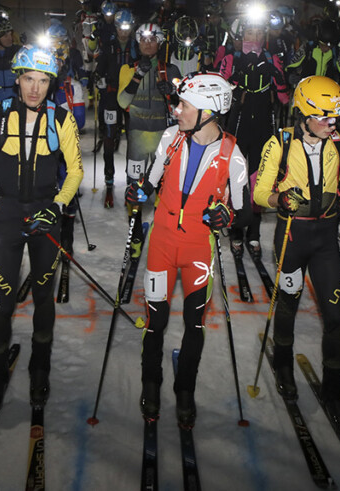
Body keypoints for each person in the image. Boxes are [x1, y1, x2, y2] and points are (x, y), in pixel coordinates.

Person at [0, 44, 83, 419]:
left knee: (44, 298)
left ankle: (39, 369)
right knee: (3, 303)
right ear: (17, 78)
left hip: (46, 214)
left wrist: (58, 208)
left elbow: (75, 170)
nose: (34, 88)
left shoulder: (62, 119)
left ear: (51, 83)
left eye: (42, 80)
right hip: (8, 217)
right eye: (28, 78)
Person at [126, 72, 249, 426]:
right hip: (162, 243)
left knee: (194, 323)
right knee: (156, 320)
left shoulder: (232, 155)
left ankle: (185, 391)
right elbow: (148, 184)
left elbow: (243, 213)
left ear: (208, 112)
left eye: (184, 105)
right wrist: (138, 192)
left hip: (198, 249)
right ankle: (151, 384)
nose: (177, 110)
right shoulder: (171, 137)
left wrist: (228, 216)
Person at [253, 76, 340, 436]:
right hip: (292, 235)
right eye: (324, 117)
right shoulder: (281, 142)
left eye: (335, 117)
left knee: (335, 315)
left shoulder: (339, 142)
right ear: (302, 112)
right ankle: (284, 365)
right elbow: (258, 192)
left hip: (326, 239)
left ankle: (333, 391)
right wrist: (279, 200)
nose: (332, 124)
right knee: (288, 300)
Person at [218, 8, 289, 269]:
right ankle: (237, 230)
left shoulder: (271, 56)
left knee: (260, 177)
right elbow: (220, 90)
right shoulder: (233, 56)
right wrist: (235, 78)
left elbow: (283, 97)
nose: (255, 36)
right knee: (237, 176)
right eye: (250, 31)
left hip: (262, 119)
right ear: (242, 33)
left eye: (259, 32)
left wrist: (279, 77)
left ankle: (254, 233)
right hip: (239, 118)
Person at [118, 22, 181, 252]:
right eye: (143, 40)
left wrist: (173, 95)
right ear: (137, 42)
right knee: (134, 187)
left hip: (161, 139)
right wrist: (138, 75)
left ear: (160, 42)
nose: (147, 43)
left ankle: (159, 231)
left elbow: (183, 109)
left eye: (152, 39)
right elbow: (123, 102)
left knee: (162, 188)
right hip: (136, 137)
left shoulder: (171, 70)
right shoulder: (127, 68)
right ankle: (134, 232)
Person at [94, 9, 137, 207]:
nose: (124, 32)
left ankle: (132, 180)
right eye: (121, 27)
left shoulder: (136, 47)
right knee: (110, 138)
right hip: (111, 97)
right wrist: (98, 80)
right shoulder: (109, 45)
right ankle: (108, 179)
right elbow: (99, 69)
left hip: (131, 99)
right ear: (117, 27)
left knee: (133, 138)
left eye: (127, 28)